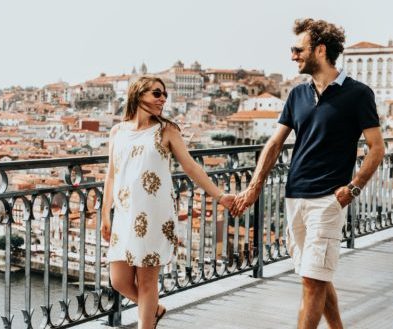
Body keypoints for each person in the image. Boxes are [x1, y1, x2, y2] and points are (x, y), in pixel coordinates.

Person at [230, 18, 385, 329]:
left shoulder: (358, 94)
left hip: (328, 200)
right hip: (294, 197)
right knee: (316, 277)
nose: (292, 55)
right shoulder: (297, 95)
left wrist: (353, 189)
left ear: (320, 50)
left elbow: (377, 148)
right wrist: (253, 187)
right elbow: (274, 144)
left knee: (312, 283)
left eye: (297, 49)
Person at [101, 75, 235, 328]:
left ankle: (147, 321)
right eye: (157, 93)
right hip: (125, 215)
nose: (163, 99)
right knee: (118, 280)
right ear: (138, 94)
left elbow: (191, 167)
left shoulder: (167, 130)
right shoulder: (117, 132)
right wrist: (106, 214)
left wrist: (219, 195)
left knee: (148, 281)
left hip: (154, 215)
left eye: (164, 95)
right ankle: (154, 309)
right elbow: (111, 174)